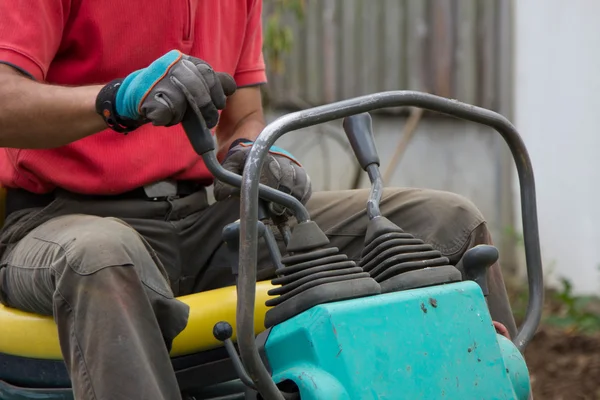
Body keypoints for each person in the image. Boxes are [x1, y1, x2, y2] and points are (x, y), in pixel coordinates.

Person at [0, 1, 516, 399]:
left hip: (205, 219)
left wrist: (252, 153)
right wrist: (113, 99)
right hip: (61, 219)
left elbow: (242, 117)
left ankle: (496, 379)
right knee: (105, 258)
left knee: (446, 223)